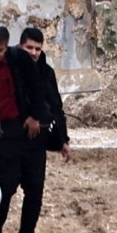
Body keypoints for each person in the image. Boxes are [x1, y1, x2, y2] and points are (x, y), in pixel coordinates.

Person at [0, 26, 49, 233]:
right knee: (2, 184)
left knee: (30, 185)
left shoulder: (18, 60)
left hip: (16, 126)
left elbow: (38, 90)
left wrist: (35, 116)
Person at [18, 27, 72, 163]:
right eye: (29, 48)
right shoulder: (11, 69)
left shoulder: (46, 72)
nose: (33, 53)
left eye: (37, 49)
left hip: (38, 140)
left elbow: (56, 106)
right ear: (20, 46)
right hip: (13, 138)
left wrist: (63, 140)